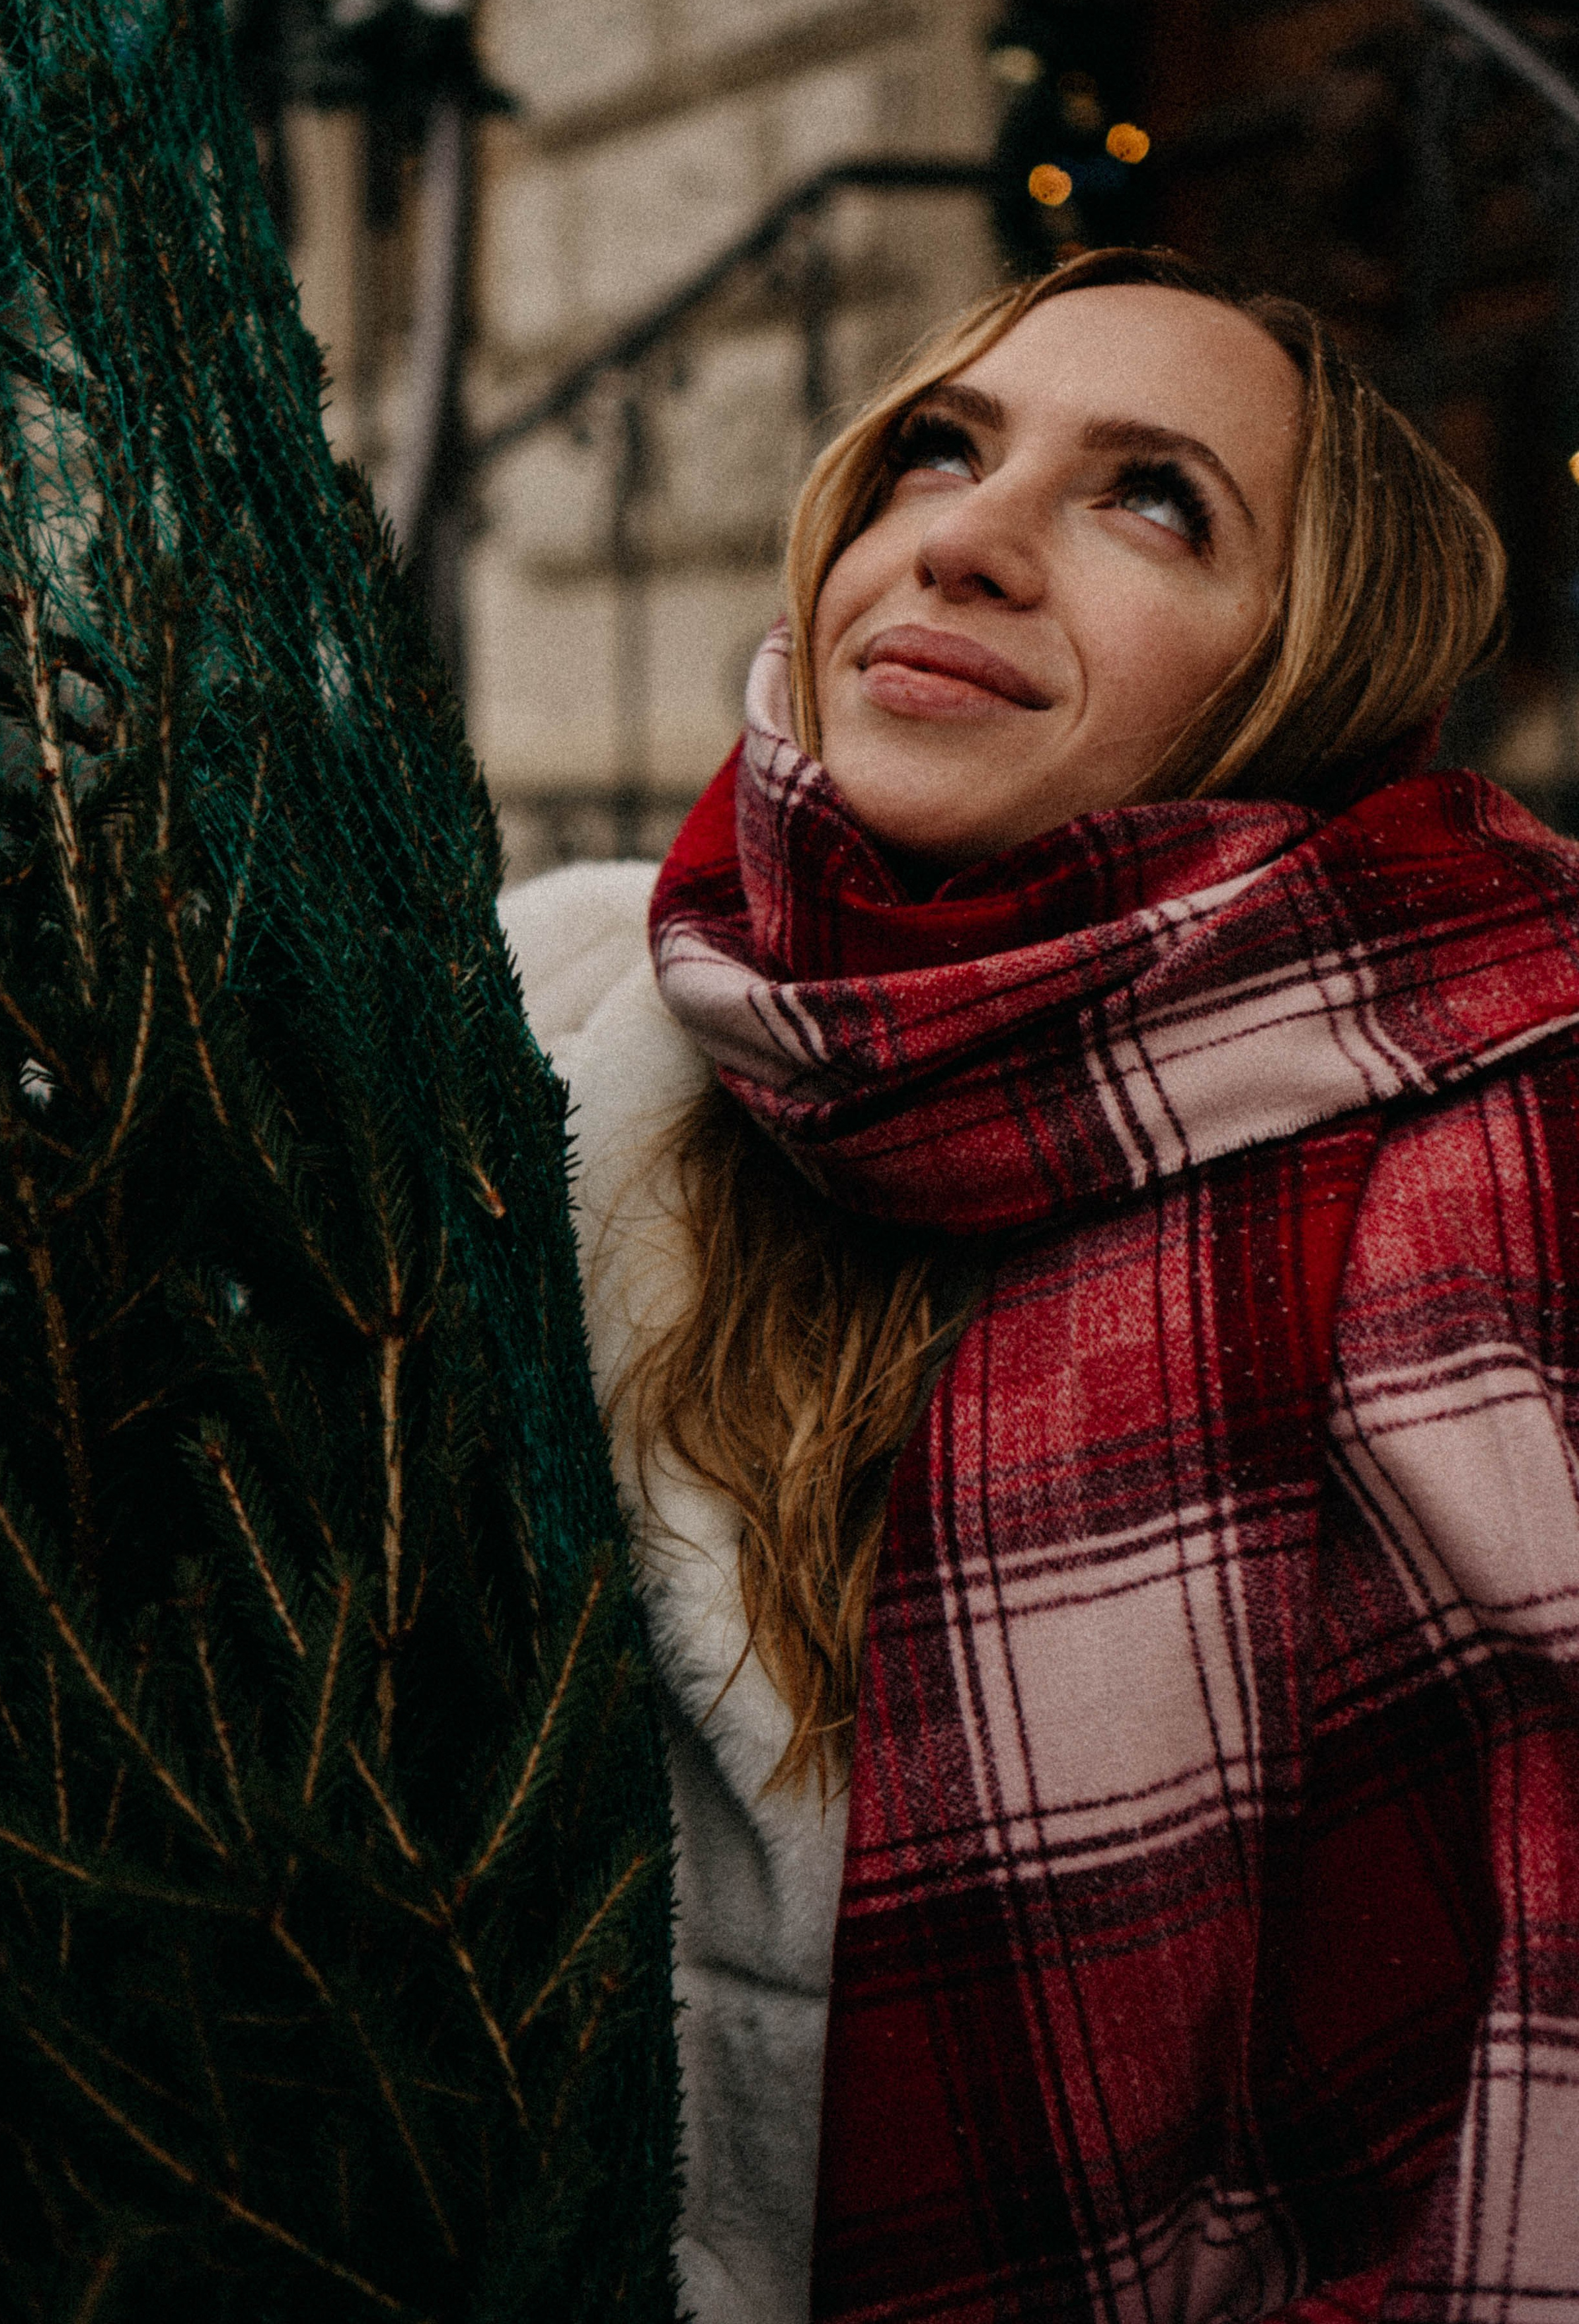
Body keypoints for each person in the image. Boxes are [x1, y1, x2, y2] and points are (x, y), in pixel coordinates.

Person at [500, 245, 1579, 2324]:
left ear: (1312, 669)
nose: (967, 543)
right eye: (934, 450)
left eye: (1153, 497)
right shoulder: (572, 1032)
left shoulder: (1486, 1147)